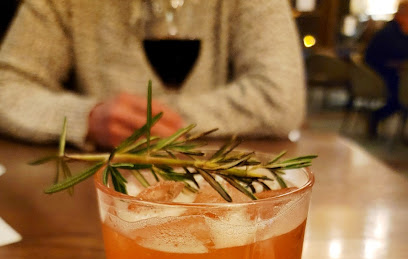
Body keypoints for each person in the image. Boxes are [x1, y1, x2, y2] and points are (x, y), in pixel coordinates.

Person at [0, 0, 305, 149]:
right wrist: (87, 118)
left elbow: (281, 98)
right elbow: (7, 86)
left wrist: (158, 122)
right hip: (99, 189)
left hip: (217, 184)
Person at [364, 1, 408, 136]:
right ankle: (376, 116)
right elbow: (394, 54)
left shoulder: (399, 31)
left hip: (395, 74)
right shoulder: (389, 32)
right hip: (380, 75)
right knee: (400, 97)